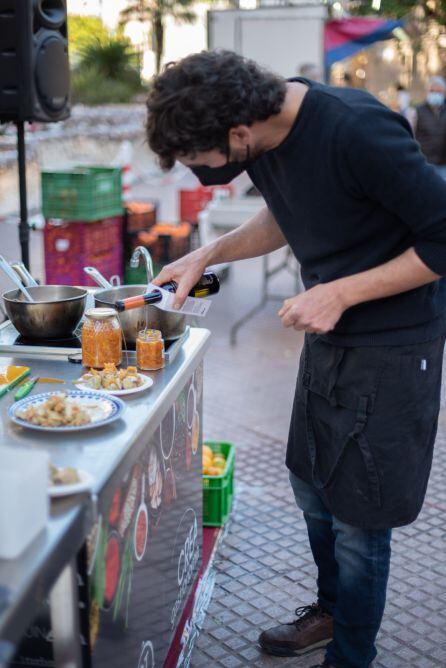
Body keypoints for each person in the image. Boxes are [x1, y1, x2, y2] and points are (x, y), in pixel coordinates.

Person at [146, 50, 446, 668]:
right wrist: (210, 254)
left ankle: (352, 654)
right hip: (329, 333)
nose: (200, 172)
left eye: (199, 160)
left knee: (360, 522)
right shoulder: (268, 133)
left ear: (237, 134)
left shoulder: (356, 128)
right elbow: (283, 214)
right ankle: (333, 612)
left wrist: (342, 291)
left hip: (392, 342)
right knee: (312, 488)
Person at [413, 75, 446, 178]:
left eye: (439, 91)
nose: (435, 94)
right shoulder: (417, 111)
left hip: (443, 164)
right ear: (427, 92)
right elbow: (411, 136)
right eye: (432, 91)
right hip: (424, 164)